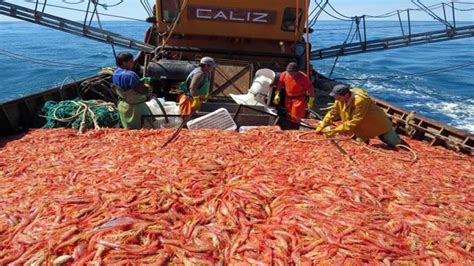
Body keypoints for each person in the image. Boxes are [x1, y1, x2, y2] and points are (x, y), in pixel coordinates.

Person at [315, 84, 401, 147]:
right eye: (335, 97)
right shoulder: (339, 100)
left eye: (338, 97)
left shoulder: (360, 101)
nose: (336, 99)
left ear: (346, 95)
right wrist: (323, 124)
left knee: (395, 144)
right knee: (359, 144)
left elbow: (356, 120)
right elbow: (332, 113)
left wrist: (335, 130)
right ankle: (365, 139)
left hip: (377, 124)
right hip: (360, 128)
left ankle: (396, 139)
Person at [112, 51, 151, 129]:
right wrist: (147, 84)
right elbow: (142, 90)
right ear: (124, 63)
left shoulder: (115, 73)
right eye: (131, 61)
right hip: (135, 107)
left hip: (123, 106)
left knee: (128, 128)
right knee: (145, 127)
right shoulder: (131, 75)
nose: (133, 63)